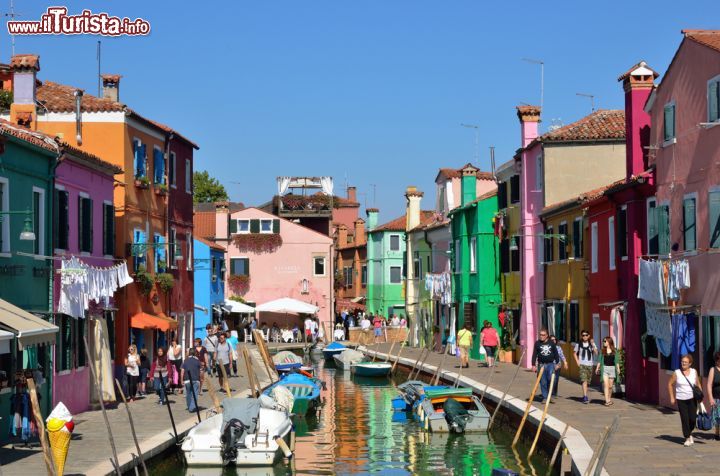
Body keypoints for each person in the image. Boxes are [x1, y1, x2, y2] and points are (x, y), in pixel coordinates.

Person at [668, 354, 702, 446]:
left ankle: (690, 433)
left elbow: (698, 384)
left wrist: (700, 397)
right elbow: (670, 384)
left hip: (692, 399)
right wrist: (672, 397)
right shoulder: (677, 373)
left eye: (685, 362)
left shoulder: (694, 372)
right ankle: (687, 437)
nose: (683, 363)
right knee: (685, 419)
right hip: (681, 399)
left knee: (692, 419)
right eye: (682, 362)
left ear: (690, 363)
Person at [531, 328, 560, 404]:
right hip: (541, 365)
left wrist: (557, 363)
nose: (541, 336)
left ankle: (550, 396)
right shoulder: (537, 343)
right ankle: (545, 397)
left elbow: (556, 354)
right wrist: (533, 365)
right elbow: (534, 354)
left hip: (550, 364)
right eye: (540, 335)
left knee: (551, 379)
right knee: (543, 381)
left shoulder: (551, 343)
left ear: (547, 335)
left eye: (543, 335)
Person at [573, 330, 597, 404]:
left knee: (588, 381)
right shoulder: (579, 344)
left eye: (586, 335)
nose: (585, 336)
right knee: (584, 380)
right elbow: (574, 353)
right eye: (583, 335)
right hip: (582, 364)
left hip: (590, 364)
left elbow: (596, 353)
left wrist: (593, 344)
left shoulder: (591, 343)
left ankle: (585, 395)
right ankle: (585, 396)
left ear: (589, 336)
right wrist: (577, 362)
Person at [595, 337, 619, 406]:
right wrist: (597, 368)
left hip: (612, 369)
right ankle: (606, 401)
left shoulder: (614, 351)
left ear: (609, 342)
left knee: (610, 386)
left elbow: (616, 361)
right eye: (603, 341)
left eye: (605, 341)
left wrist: (618, 368)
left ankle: (609, 398)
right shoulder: (602, 351)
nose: (604, 342)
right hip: (605, 369)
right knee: (606, 385)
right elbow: (599, 360)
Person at [181, 348, 202, 413]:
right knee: (195, 394)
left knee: (188, 393)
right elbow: (201, 372)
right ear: (195, 353)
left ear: (189, 353)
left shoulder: (185, 361)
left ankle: (189, 406)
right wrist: (201, 379)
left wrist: (181, 380)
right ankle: (192, 407)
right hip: (196, 379)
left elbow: (182, 371)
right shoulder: (198, 361)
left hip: (187, 379)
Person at [706, 351, 720, 441]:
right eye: (718, 360)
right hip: (716, 398)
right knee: (717, 417)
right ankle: (717, 432)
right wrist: (710, 398)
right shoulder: (713, 370)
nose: (718, 361)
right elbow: (709, 385)